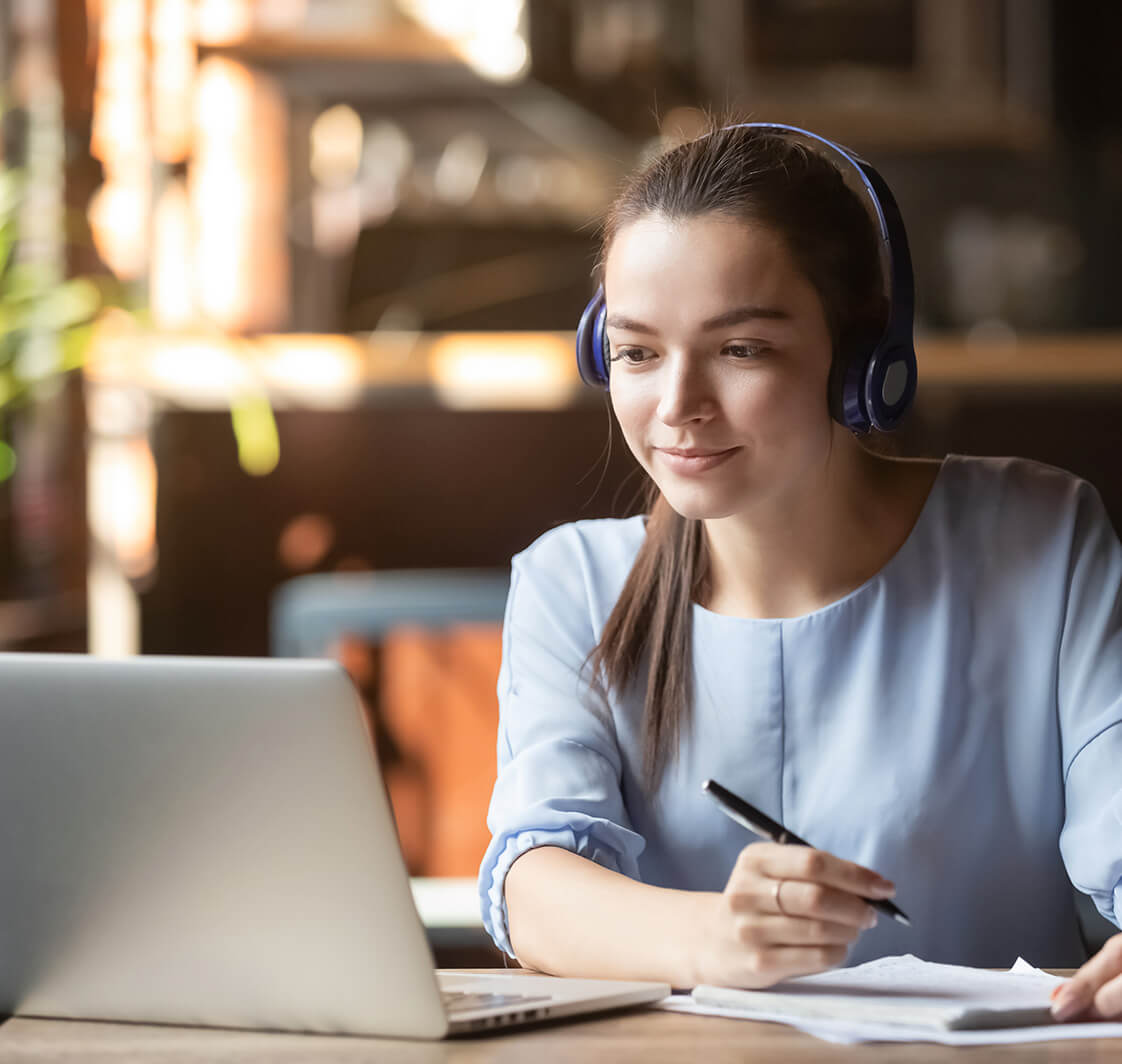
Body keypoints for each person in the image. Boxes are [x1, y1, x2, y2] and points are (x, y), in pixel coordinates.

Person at [476, 121, 1122, 1022]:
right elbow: (534, 884)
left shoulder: (1041, 538)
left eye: (741, 349)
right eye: (637, 351)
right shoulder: (572, 581)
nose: (677, 407)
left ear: (862, 364)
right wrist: (720, 939)